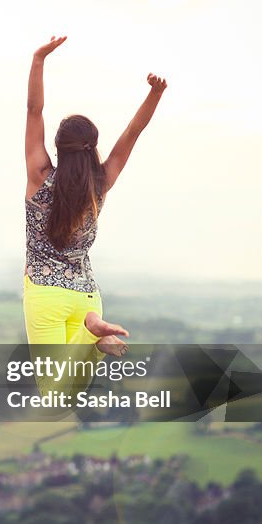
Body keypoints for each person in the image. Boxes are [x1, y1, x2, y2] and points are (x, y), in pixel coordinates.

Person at [23, 33, 167, 393]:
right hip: (87, 294)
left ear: (58, 147)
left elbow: (34, 111)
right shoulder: (100, 184)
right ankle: (93, 331)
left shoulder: (40, 175)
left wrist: (39, 59)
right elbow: (134, 132)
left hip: (46, 294)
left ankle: (92, 333)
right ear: (92, 148)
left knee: (53, 390)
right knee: (71, 387)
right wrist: (155, 93)